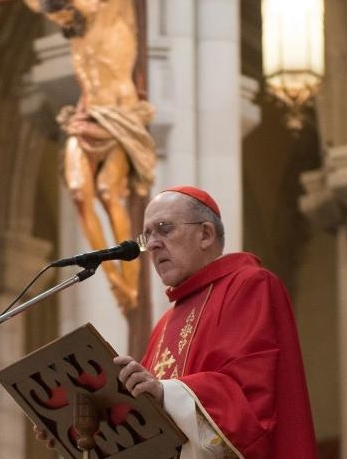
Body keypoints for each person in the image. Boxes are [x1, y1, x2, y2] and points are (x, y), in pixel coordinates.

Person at [1, 0, 246, 314]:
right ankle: (109, 272)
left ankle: (127, 273)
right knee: (80, 191)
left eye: (62, 15)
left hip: (118, 117)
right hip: (86, 116)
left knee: (105, 191)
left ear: (73, 0)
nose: (61, 24)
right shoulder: (66, 14)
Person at [113, 185, 318, 459]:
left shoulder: (250, 285)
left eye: (164, 229)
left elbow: (251, 402)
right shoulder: (164, 324)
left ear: (206, 234)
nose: (152, 244)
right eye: (147, 234)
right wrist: (84, 430)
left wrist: (165, 393)